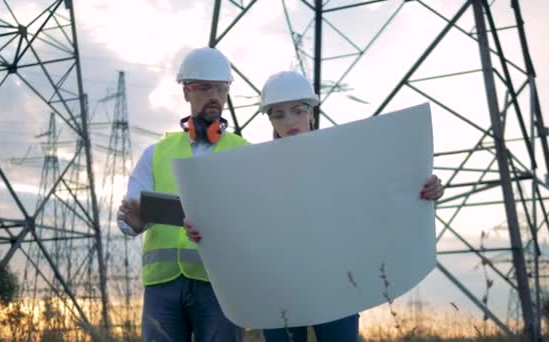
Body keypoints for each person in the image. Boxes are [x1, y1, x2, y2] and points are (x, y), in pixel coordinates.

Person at [185, 70, 444, 341]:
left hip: (336, 283)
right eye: (279, 114)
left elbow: (380, 195)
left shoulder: (341, 158)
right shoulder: (254, 169)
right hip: (278, 287)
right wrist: (202, 227)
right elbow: (233, 218)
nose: (289, 121)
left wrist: (425, 190)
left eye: (297, 110)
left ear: (311, 111)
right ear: (270, 119)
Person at [117, 47, 249, 342]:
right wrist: (134, 222)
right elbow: (128, 217)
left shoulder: (243, 153)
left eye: (221, 88)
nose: (214, 95)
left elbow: (255, 220)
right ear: (187, 92)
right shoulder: (156, 154)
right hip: (163, 287)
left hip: (219, 285)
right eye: (204, 88)